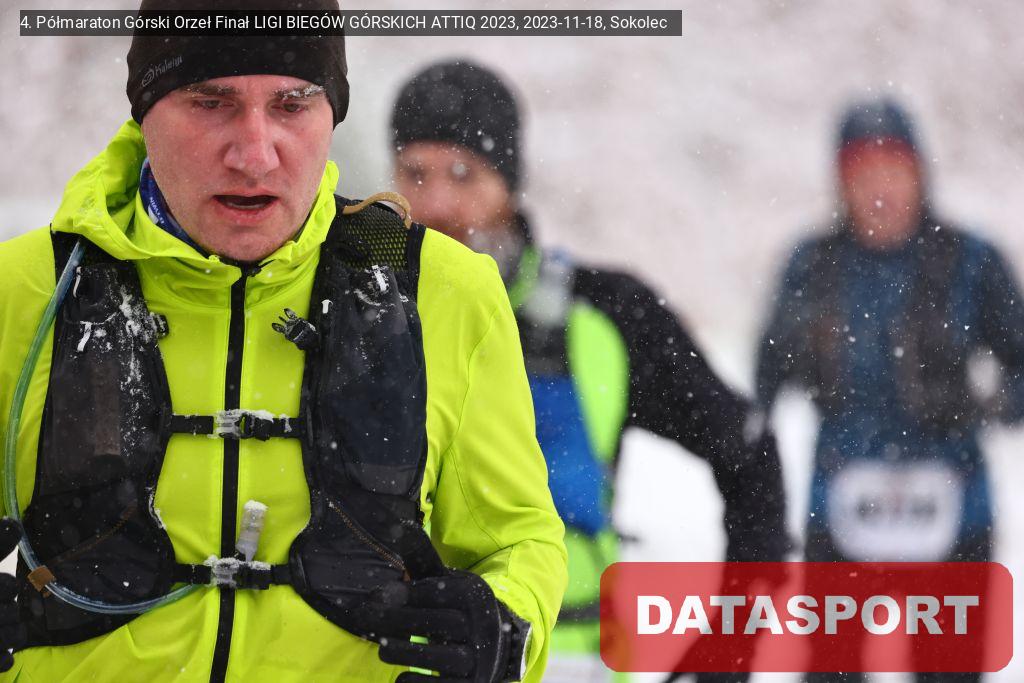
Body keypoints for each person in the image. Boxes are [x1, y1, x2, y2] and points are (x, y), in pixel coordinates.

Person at [0, 2, 568, 681]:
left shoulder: (443, 290)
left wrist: (506, 623)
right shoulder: (25, 289)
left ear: (333, 115)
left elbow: (518, 539)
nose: (255, 153)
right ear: (144, 112)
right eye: (211, 103)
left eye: (292, 105)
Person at [389, 59, 789, 682]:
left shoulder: (606, 314)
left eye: (464, 173)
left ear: (510, 183)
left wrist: (728, 653)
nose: (437, 202)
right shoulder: (345, 311)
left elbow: (750, 451)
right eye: (415, 173)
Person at [757, 98, 1024, 682]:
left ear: (920, 174)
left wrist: (991, 402)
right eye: (863, 174)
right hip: (841, 505)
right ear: (841, 185)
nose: (880, 190)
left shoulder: (970, 263)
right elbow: (765, 376)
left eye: (893, 170)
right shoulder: (814, 266)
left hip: (955, 507)